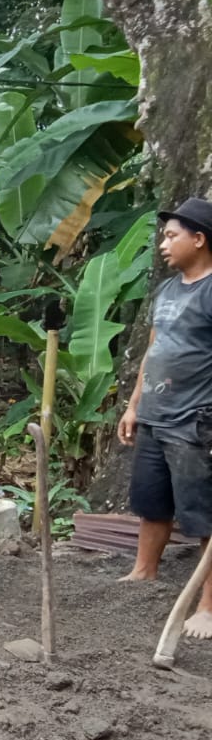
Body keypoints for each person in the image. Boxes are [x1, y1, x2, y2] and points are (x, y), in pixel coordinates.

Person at [116, 198, 212, 641]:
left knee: (203, 516)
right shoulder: (168, 291)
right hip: (155, 414)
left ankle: (207, 606)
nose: (162, 244)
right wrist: (135, 406)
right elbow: (153, 351)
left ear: (199, 239)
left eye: (172, 235)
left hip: (195, 420)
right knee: (152, 503)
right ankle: (144, 571)